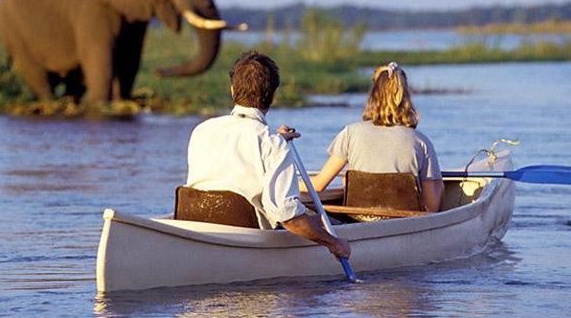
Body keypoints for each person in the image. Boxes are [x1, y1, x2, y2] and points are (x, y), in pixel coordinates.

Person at [185, 50, 351, 259]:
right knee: (321, 221)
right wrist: (334, 243)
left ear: (232, 90)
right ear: (273, 95)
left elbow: (239, 154)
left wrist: (276, 139)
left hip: (196, 227)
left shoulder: (202, 130)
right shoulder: (272, 144)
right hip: (244, 238)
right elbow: (288, 217)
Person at [307, 61, 444, 212]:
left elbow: (318, 185)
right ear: (406, 97)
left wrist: (286, 184)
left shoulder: (350, 133)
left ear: (373, 95)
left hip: (357, 220)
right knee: (437, 184)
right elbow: (431, 207)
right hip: (405, 223)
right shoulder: (421, 142)